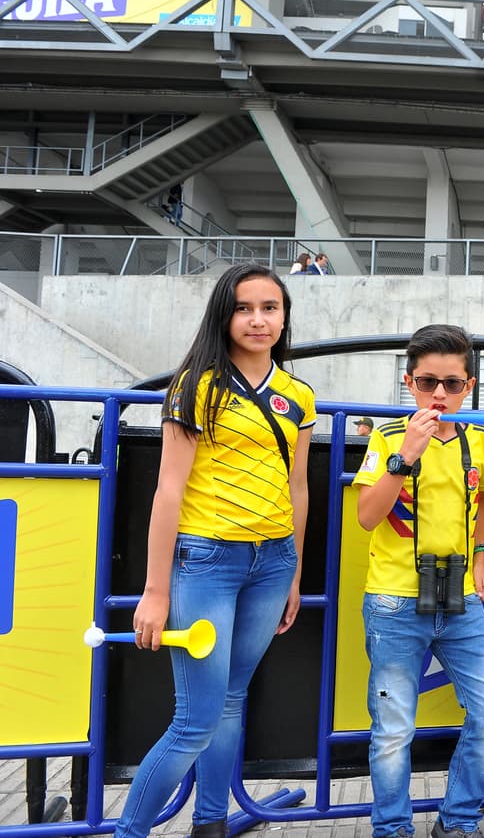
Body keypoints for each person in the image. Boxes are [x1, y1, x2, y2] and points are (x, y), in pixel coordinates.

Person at [114, 263, 313, 838]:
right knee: (195, 719)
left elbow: (297, 488)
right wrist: (155, 591)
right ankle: (130, 832)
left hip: (272, 563)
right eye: (244, 307)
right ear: (224, 315)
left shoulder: (298, 394)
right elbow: (167, 488)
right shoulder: (195, 384)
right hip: (205, 563)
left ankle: (210, 824)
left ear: (284, 316)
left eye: (269, 308)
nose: (258, 319)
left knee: (230, 699)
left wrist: (294, 571)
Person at [353, 324, 484, 838]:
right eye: (427, 383)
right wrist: (407, 456)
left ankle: (459, 821)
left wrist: (483, 557)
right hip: (395, 601)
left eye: (451, 383)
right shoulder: (386, 438)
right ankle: (393, 828)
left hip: (462, 599)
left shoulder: (481, 441)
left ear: (469, 385)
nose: (439, 395)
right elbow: (366, 515)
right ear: (409, 383)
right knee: (394, 731)